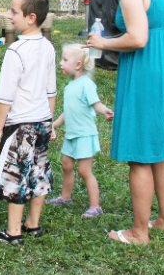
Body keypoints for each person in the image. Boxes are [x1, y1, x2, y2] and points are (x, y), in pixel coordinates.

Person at [88, 0, 164, 245]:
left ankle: (139, 232)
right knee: (160, 152)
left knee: (141, 156)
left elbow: (138, 38)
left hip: (148, 74)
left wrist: (103, 43)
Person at [0, 0, 56, 246]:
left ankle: (13, 232)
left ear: (31, 17)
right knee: (38, 171)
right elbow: (52, 90)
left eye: (14, 12)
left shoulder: (15, 50)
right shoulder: (48, 47)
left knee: (15, 174)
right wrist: (49, 121)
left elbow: (5, 96)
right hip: (41, 122)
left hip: (19, 126)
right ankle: (33, 224)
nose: (10, 16)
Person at [47, 43, 114, 218]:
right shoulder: (70, 87)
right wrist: (54, 124)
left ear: (77, 65)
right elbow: (68, 112)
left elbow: (96, 104)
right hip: (71, 135)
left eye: (65, 60)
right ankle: (65, 197)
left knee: (84, 171)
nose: (61, 63)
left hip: (84, 134)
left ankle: (95, 206)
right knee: (66, 165)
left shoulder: (86, 84)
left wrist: (105, 110)